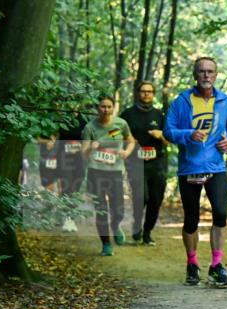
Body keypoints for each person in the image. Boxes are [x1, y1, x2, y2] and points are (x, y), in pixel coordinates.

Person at [163, 57, 227, 287]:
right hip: (190, 167)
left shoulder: (225, 101)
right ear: (195, 75)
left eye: (210, 71)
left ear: (216, 75)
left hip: (216, 166)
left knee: (221, 213)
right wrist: (188, 134)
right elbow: (168, 131)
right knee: (191, 219)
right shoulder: (182, 101)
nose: (206, 75)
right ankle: (192, 263)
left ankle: (216, 265)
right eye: (202, 71)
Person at [81, 96, 134, 256]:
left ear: (113, 108)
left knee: (118, 209)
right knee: (101, 209)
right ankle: (106, 244)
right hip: (95, 171)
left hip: (115, 171)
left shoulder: (121, 124)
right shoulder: (90, 127)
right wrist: (91, 147)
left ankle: (116, 225)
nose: (106, 109)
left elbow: (131, 140)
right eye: (103, 106)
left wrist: (126, 152)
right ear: (98, 108)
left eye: (109, 106)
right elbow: (83, 153)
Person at [122, 81, 169, 245]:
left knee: (155, 199)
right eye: (143, 91)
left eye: (149, 91)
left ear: (153, 94)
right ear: (138, 93)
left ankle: (147, 232)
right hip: (135, 162)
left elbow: (168, 141)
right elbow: (114, 133)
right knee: (141, 196)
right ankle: (137, 225)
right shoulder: (127, 114)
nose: (146, 94)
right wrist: (128, 140)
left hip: (157, 163)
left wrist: (160, 135)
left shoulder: (159, 115)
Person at [56, 108, 91, 232]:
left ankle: (68, 215)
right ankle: (68, 219)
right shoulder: (62, 118)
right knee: (67, 187)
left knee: (75, 188)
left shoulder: (85, 119)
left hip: (80, 160)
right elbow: (53, 135)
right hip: (64, 158)